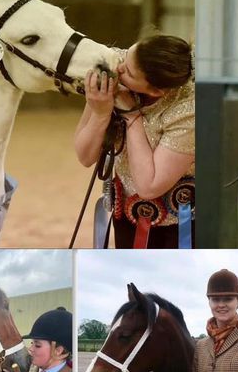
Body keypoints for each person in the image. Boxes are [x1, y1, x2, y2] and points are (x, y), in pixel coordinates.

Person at [77, 35, 195, 248]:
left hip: (179, 226)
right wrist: (100, 113)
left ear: (156, 91)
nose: (119, 68)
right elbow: (85, 156)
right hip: (126, 213)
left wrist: (132, 118)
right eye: (126, 56)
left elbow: (149, 186)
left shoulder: (188, 110)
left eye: (129, 72)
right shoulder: (118, 64)